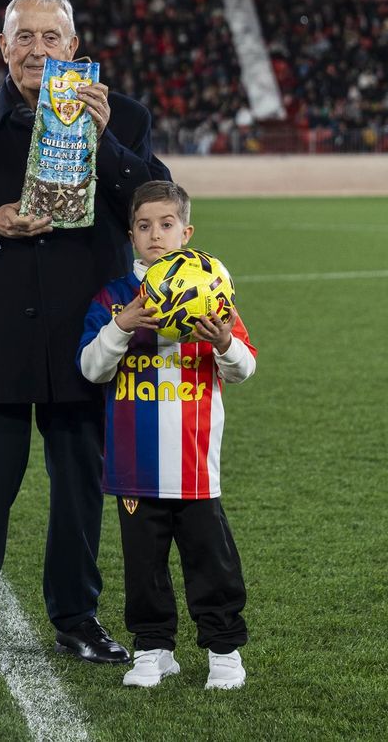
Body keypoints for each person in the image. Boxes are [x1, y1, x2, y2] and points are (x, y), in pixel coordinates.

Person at [0, 0, 171, 672]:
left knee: (80, 496)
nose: (39, 49)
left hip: (86, 341)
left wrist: (107, 144)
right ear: (2, 48)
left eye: (51, 37)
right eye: (24, 37)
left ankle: (78, 618)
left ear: (75, 46)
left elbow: (157, 212)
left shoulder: (122, 115)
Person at [77, 180, 257, 690]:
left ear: (186, 231)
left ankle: (224, 651)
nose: (155, 235)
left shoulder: (211, 292)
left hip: (196, 463)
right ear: (131, 234)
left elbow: (244, 369)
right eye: (143, 226)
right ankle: (153, 648)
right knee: (143, 565)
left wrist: (224, 341)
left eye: (166, 224)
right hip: (136, 464)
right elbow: (91, 369)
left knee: (211, 560)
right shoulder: (115, 296)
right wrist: (121, 325)